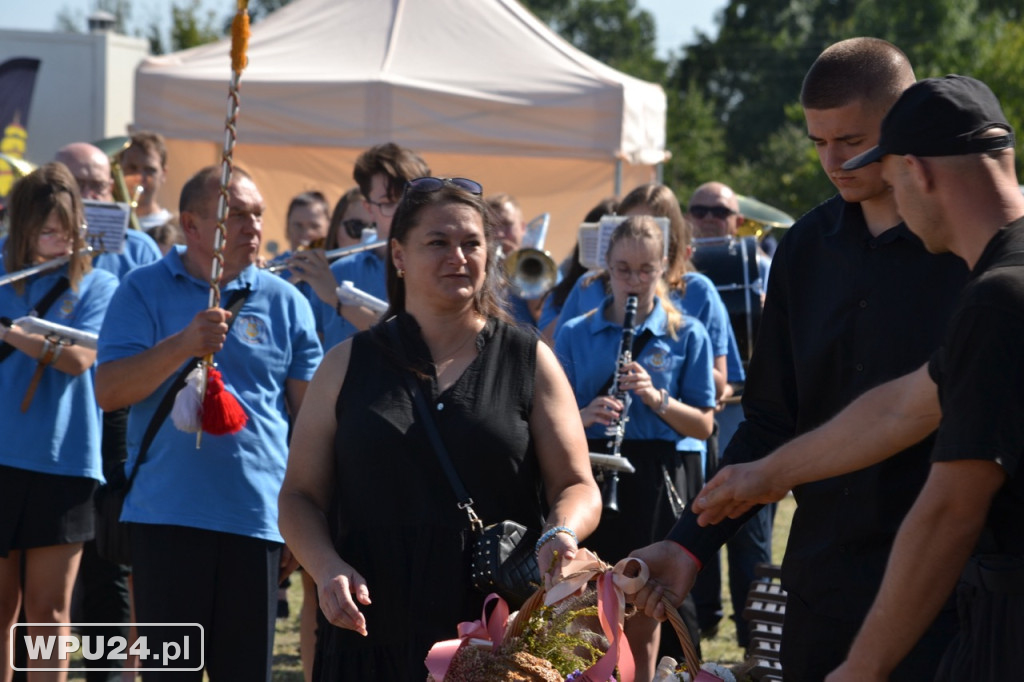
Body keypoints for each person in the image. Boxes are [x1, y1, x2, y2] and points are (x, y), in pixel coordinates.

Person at [628, 38, 969, 681]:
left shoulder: (966, 250)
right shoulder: (806, 248)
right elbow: (769, 421)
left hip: (950, 587)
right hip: (824, 579)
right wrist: (688, 545)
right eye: (818, 142)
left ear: (904, 123)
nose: (833, 162)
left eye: (850, 140)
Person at [690, 74, 1024, 682]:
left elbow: (950, 509)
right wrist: (766, 475)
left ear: (917, 173)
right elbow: (907, 406)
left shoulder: (998, 298)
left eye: (890, 176)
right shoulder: (1004, 282)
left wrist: (863, 667)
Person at [278, 176, 601, 681]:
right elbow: (299, 495)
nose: (459, 255)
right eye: (438, 242)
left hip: (493, 638)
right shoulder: (345, 365)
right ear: (399, 256)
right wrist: (324, 568)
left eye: (472, 242)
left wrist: (561, 532)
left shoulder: (528, 358)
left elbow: (577, 484)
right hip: (367, 633)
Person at [95, 165, 322, 681]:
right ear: (191, 225)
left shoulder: (285, 301)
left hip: (256, 520)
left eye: (258, 214)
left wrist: (304, 519)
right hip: (166, 520)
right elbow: (109, 391)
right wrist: (182, 345)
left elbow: (309, 421)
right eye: (236, 215)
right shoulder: (142, 289)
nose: (253, 226)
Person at [555, 214, 716, 681]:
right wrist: (586, 415)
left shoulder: (687, 333)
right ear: (606, 266)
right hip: (593, 471)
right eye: (623, 269)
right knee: (590, 595)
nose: (634, 281)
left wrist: (655, 397)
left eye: (646, 270)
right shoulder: (575, 332)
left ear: (664, 268)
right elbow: (552, 419)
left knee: (648, 600)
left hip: (654, 474)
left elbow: (704, 425)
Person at [0, 162, 118, 681]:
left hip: (63, 461)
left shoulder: (98, 285)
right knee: (1, 609)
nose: (57, 241)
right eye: (46, 231)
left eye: (67, 232)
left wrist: (10, 333)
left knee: (49, 613)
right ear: (22, 228)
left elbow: (79, 359)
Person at [54, 140, 161, 682]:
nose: (94, 195)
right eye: (81, 184)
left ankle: (112, 674)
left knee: (108, 562)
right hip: (46, 424)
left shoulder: (139, 250)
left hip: (114, 419)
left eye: (100, 184)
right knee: (40, 568)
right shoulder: (29, 244)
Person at [685, 180, 775, 649]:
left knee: (749, 528)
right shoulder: (676, 270)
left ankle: (756, 635)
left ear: (739, 221)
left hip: (749, 412)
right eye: (697, 210)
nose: (706, 218)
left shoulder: (765, 266)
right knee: (697, 512)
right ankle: (701, 618)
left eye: (718, 211)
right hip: (697, 411)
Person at [303, 143, 430, 351]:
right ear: (369, 208)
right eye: (388, 203)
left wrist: (336, 299)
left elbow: (414, 346)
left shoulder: (437, 269)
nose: (403, 213)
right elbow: (310, 354)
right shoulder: (337, 272)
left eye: (410, 200)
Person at [119, 131, 174, 231]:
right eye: (132, 168)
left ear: (163, 174)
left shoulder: (172, 228)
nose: (139, 177)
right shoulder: (111, 223)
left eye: (149, 170)